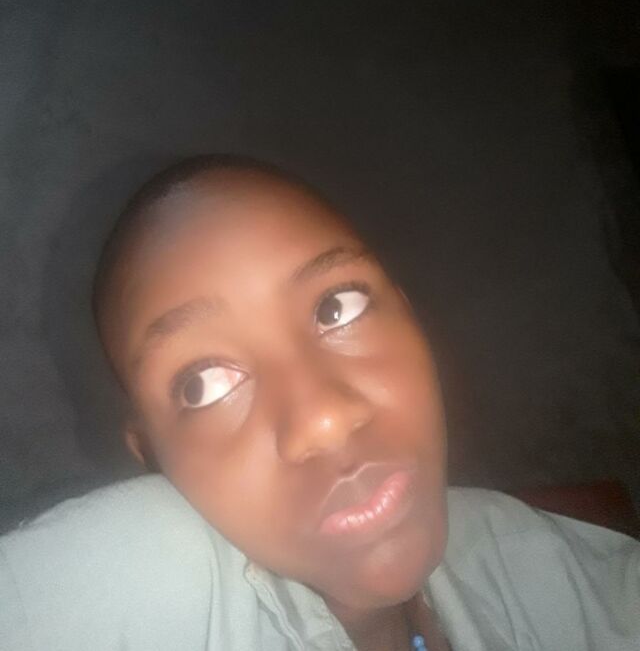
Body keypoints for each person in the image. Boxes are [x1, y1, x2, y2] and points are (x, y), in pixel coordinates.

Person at [0, 155, 638, 651]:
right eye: (203, 383)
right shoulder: (132, 586)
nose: (323, 420)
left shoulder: (550, 567)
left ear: (408, 315)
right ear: (154, 459)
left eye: (337, 308)